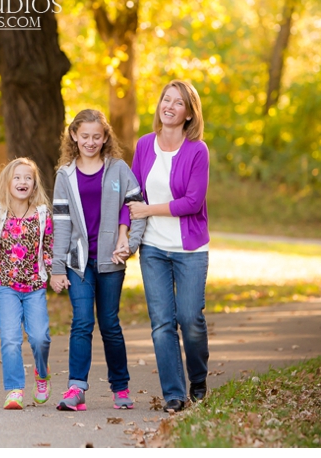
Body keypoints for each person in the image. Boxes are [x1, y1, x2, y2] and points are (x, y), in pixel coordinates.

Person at [51, 109, 145, 411]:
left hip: (110, 260)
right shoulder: (64, 175)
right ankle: (76, 388)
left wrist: (128, 244)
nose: (90, 142)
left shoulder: (118, 169)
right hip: (78, 263)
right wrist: (56, 267)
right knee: (81, 322)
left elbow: (135, 206)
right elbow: (61, 222)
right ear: (74, 135)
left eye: (96, 136)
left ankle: (120, 388)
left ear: (105, 137)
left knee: (109, 324)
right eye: (84, 136)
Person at [128, 79, 210, 414]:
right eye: (166, 99)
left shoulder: (197, 150)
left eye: (178, 102)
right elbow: (132, 196)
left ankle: (199, 380)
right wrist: (125, 234)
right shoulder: (145, 145)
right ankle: (174, 394)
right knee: (162, 323)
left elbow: (193, 201)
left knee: (190, 319)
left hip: (189, 248)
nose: (170, 106)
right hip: (153, 249)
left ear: (189, 113)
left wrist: (149, 209)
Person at [0, 157, 53, 410]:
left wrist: (57, 274)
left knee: (40, 337)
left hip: (35, 287)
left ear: (34, 184)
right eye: (17, 177)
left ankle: (42, 374)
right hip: (5, 286)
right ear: (8, 182)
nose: (22, 182)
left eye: (27, 178)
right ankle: (14, 390)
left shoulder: (42, 214)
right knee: (10, 339)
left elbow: (49, 249)